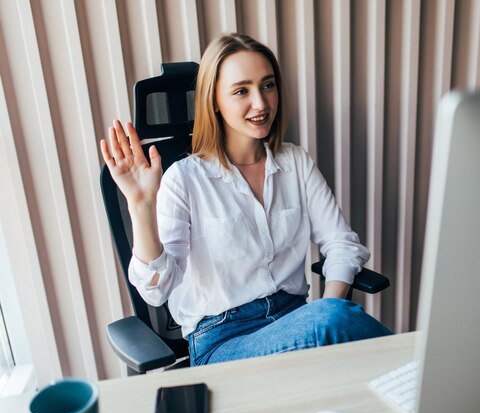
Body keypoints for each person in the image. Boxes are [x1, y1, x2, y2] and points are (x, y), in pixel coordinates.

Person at [100, 33, 392, 366]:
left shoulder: (295, 162)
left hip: (297, 322)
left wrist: (329, 308)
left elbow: (342, 244)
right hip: (223, 341)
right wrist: (141, 206)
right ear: (214, 101)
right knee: (336, 325)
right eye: (241, 91)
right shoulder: (184, 178)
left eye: (267, 86)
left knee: (340, 340)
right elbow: (156, 290)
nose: (261, 103)